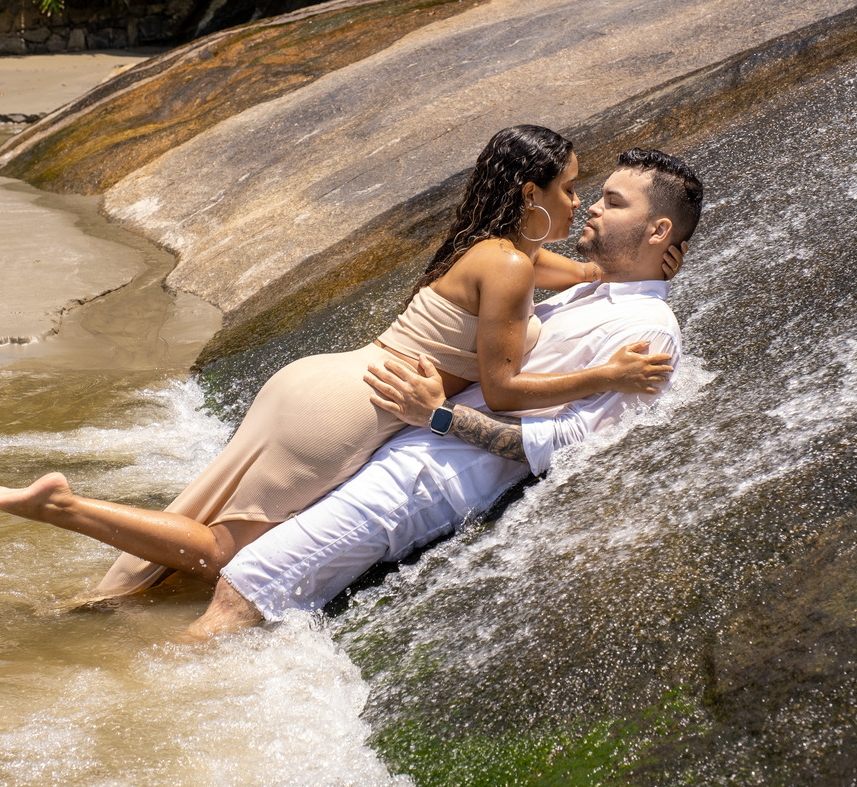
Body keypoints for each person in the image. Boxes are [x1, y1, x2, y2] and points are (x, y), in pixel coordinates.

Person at [0, 126, 682, 596]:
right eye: (567, 188)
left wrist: (639, 264)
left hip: (319, 385)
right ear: (530, 195)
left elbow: (589, 276)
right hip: (350, 411)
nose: (578, 200)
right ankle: (61, 506)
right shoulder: (512, 268)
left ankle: (93, 605)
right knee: (222, 550)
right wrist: (607, 377)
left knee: (201, 513)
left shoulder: (501, 250)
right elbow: (502, 386)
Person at [183, 146, 704, 637]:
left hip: (426, 482)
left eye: (613, 202)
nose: (591, 206)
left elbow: (571, 443)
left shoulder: (649, 332)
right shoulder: (590, 289)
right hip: (399, 448)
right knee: (228, 559)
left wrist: (439, 417)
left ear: (658, 230)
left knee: (243, 589)